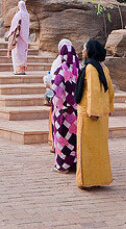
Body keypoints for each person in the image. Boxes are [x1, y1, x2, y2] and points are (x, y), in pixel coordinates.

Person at [74, 39, 114, 189]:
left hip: (90, 115)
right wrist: (107, 108)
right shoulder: (103, 68)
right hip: (101, 115)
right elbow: (110, 91)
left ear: (89, 50)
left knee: (87, 150)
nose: (83, 51)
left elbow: (92, 91)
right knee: (100, 150)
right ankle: (100, 178)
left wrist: (93, 112)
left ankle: (86, 181)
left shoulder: (91, 68)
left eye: (84, 48)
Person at [51, 39, 80, 173]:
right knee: (73, 139)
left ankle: (63, 166)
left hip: (62, 113)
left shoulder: (61, 70)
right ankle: (74, 163)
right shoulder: (78, 70)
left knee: (62, 139)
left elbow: (56, 90)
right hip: (75, 112)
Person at [45, 38, 73, 151]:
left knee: (58, 122)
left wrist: (47, 82)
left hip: (59, 100)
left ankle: (57, 146)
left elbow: (54, 81)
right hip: (71, 101)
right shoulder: (75, 63)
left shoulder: (57, 62)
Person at [6, 1, 30, 75]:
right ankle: (22, 70)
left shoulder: (19, 14)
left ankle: (17, 70)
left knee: (17, 53)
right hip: (25, 38)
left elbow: (14, 26)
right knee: (23, 54)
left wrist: (9, 34)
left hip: (18, 37)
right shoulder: (27, 14)